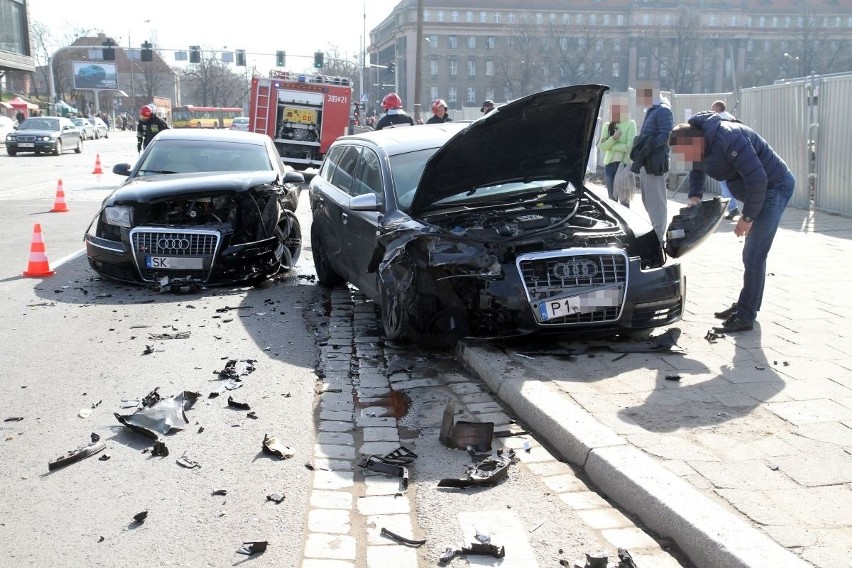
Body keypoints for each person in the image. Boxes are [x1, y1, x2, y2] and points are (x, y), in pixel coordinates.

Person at [669, 112, 795, 333]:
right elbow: (697, 170)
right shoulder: (699, 143)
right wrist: (695, 197)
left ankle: (746, 316)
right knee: (753, 254)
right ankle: (748, 304)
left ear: (696, 142)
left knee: (754, 254)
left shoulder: (729, 138)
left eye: (685, 152)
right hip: (757, 191)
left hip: (775, 187)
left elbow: (758, 179)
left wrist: (747, 217)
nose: (686, 158)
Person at [630, 82, 674, 243]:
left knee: (656, 201)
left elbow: (667, 135)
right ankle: (656, 232)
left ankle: (659, 236)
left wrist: (647, 146)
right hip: (648, 161)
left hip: (655, 162)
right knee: (648, 199)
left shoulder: (662, 110)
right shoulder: (654, 109)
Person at [598, 96, 637, 205]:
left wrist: (611, 145)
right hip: (610, 166)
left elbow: (629, 147)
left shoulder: (630, 124)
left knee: (624, 201)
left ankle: (626, 222)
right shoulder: (607, 125)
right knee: (612, 201)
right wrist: (614, 138)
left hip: (624, 166)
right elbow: (602, 147)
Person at [711, 100, 742, 220]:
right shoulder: (732, 118)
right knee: (729, 183)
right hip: (736, 155)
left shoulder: (716, 120)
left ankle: (733, 208)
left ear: (717, 109)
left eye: (713, 108)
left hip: (722, 157)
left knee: (724, 183)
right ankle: (726, 206)